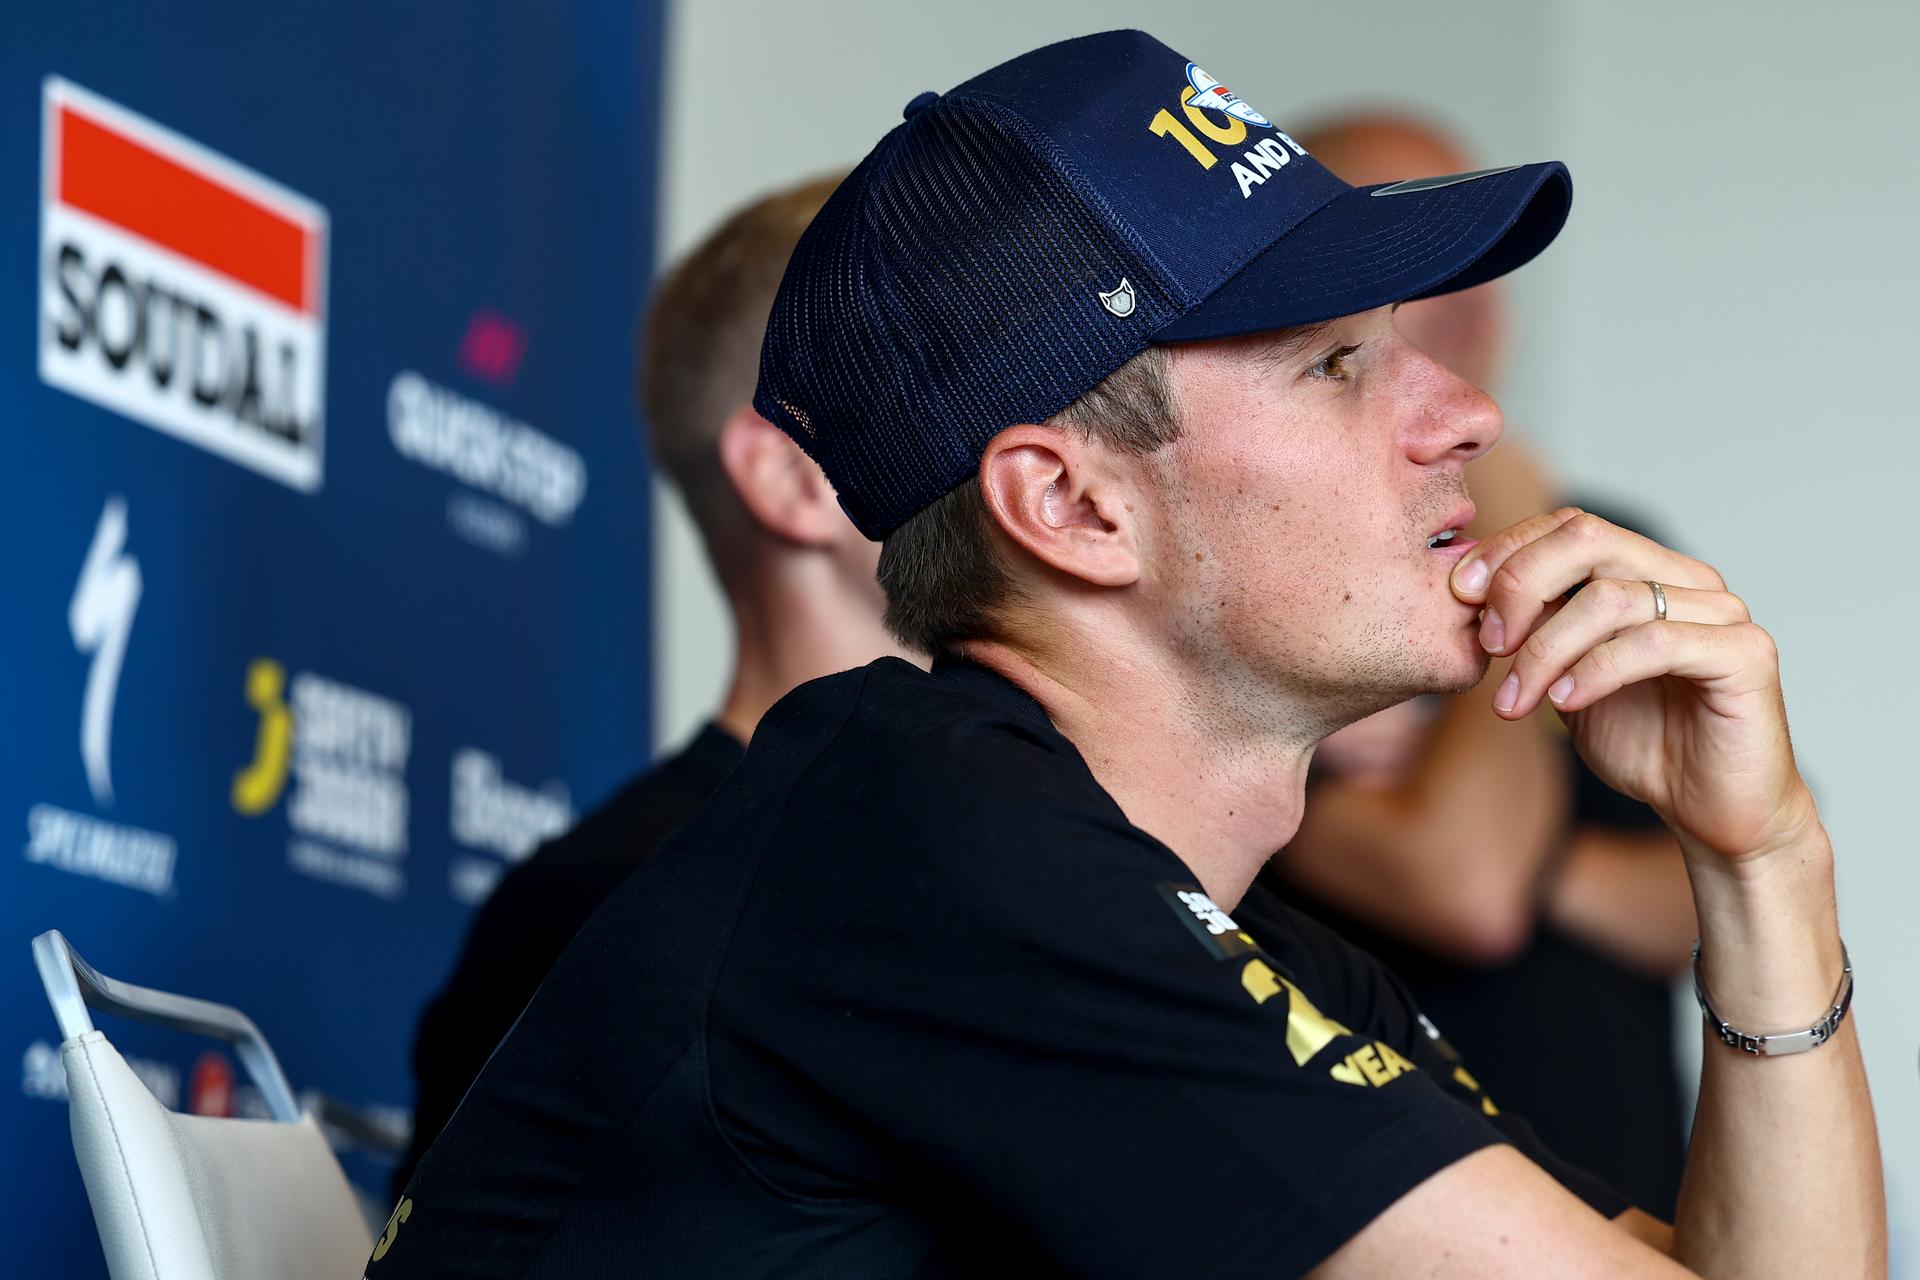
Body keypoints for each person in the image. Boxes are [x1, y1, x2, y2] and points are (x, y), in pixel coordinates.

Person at [366, 31, 1883, 1278]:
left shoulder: (1223, 927)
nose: (1466, 423)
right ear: (1076, 506)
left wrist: (1764, 864)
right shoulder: (936, 847)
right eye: (1339, 365)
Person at [391, 175, 913, 1196]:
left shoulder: (1010, 849)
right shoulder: (608, 907)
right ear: (794, 479)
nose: (1041, 439)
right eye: (954, 378)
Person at [1265, 112, 1696, 1214]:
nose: (1469, 304)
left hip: (1646, 1206)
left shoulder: (1610, 539)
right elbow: (1465, 888)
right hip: (1416, 1213)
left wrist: (1538, 857)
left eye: (1480, 268)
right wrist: (1505, 505)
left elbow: (1711, 900)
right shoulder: (1285, 586)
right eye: (1414, 264)